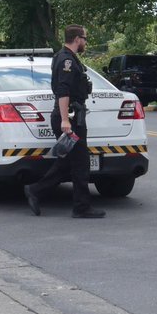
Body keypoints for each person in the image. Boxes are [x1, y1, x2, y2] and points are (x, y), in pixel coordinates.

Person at [25, 25, 105, 218]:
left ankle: (36, 191)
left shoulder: (65, 57)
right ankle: (81, 207)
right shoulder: (66, 60)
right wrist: (64, 120)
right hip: (69, 118)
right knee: (80, 163)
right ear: (77, 39)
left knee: (68, 162)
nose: (86, 42)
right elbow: (63, 91)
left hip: (73, 116)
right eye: (85, 38)